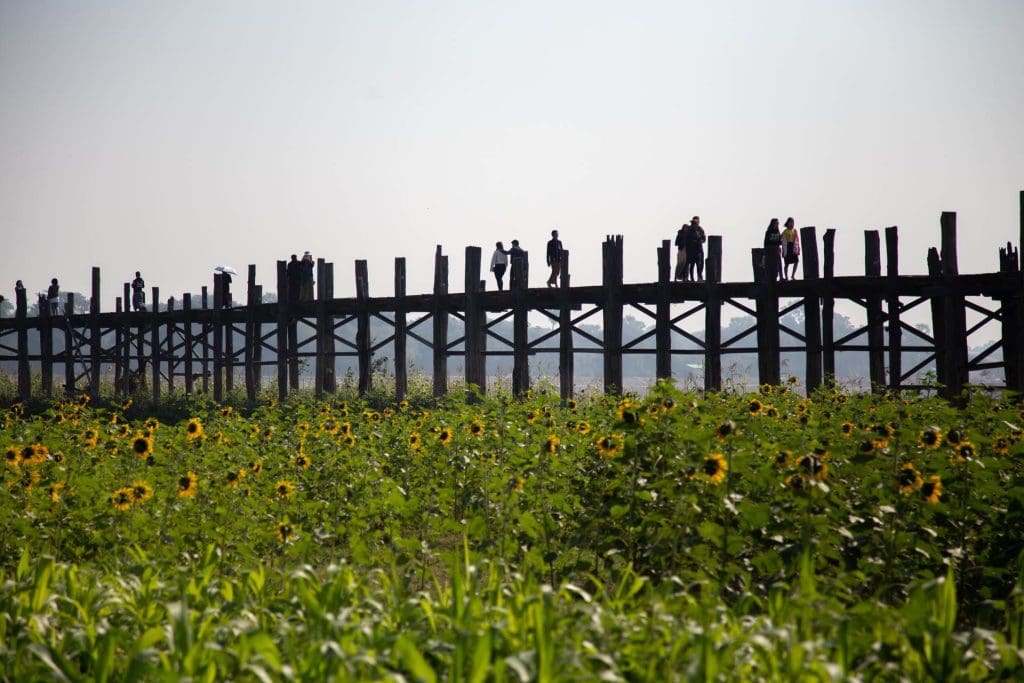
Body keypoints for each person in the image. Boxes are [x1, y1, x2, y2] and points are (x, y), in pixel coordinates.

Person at [685, 216, 706, 282]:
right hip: (691, 250)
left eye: (696, 222)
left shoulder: (700, 229)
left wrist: (700, 240)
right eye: (694, 222)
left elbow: (704, 239)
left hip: (699, 249)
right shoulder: (689, 230)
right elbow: (687, 240)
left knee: (699, 264)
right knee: (692, 264)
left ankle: (699, 277)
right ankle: (691, 278)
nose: (695, 223)